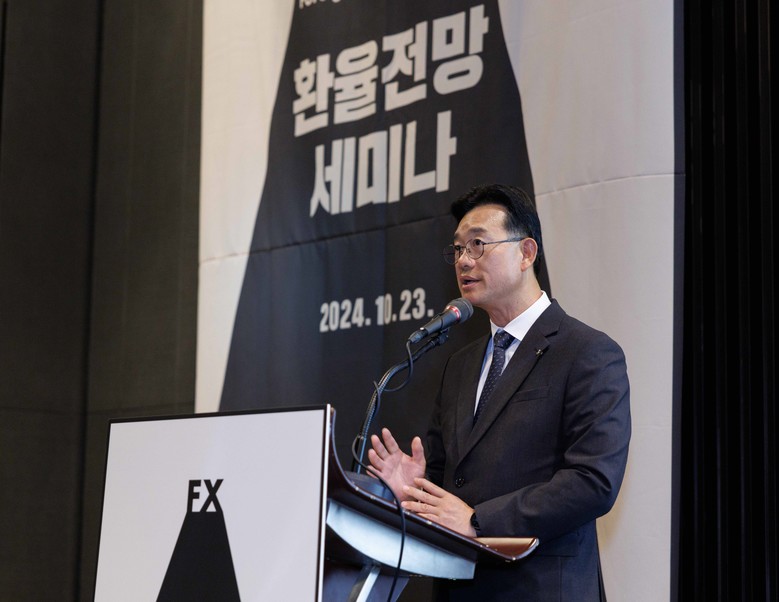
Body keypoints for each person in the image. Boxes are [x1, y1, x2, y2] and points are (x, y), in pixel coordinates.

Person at [368, 184, 631, 600]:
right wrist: (417, 491)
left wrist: (479, 521)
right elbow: (447, 478)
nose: (463, 260)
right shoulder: (459, 365)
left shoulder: (587, 352)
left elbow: (593, 481)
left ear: (526, 253)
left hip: (540, 590)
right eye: (458, 249)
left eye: (478, 244)